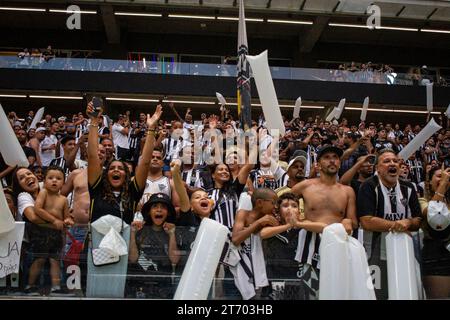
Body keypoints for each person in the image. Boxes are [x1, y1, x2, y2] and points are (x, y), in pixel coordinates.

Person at [291, 145, 358, 299]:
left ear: (339, 163)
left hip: (338, 247)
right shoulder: (305, 186)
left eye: (335, 157)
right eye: (327, 158)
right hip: (310, 247)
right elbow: (280, 201)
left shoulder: (347, 191)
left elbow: (353, 222)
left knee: (336, 293)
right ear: (318, 163)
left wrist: (348, 220)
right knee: (310, 295)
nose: (332, 161)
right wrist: (294, 217)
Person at [357, 148, 422, 300]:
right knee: (375, 295)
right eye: (386, 161)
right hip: (374, 253)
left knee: (405, 293)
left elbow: (418, 220)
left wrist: (408, 221)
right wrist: (398, 224)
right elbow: (367, 221)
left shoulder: (409, 187)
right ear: (378, 169)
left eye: (395, 161)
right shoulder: (368, 186)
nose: (392, 163)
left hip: (404, 251)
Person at [27, 166, 74, 295]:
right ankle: (30, 285)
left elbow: (66, 217)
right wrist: (54, 221)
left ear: (63, 182)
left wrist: (68, 220)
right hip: (42, 231)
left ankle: (56, 286)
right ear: (44, 180)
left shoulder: (63, 199)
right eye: (50, 178)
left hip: (57, 234)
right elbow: (38, 209)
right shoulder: (44, 193)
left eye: (58, 178)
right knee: (39, 259)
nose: (54, 181)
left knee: (55, 260)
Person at [128, 193, 180, 299]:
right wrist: (132, 233)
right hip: (139, 285)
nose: (159, 210)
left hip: (164, 286)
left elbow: (174, 260)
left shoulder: (174, 232)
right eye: (155, 206)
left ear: (169, 213)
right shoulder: (140, 232)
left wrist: (172, 234)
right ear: (149, 212)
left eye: (163, 207)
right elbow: (132, 259)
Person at [231, 188, 279, 300]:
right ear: (259, 203)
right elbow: (236, 239)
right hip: (239, 265)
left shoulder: (271, 217)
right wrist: (258, 223)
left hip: (262, 269)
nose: (275, 206)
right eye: (273, 203)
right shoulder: (243, 213)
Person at [260, 192, 310, 300]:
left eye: (294, 206)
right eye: (285, 206)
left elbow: (323, 227)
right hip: (275, 276)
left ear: (299, 210)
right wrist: (288, 225)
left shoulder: (304, 226)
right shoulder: (273, 224)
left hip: (297, 277)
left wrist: (297, 224)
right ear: (278, 210)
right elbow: (263, 233)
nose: (290, 209)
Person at [419, 167, 450, 298]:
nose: (444, 178)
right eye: (439, 176)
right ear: (428, 182)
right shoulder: (422, 201)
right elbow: (434, 215)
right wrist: (442, 184)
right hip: (436, 255)